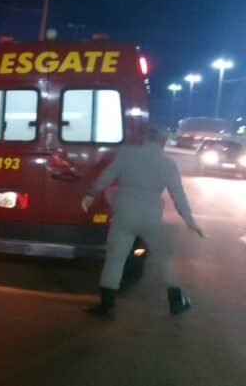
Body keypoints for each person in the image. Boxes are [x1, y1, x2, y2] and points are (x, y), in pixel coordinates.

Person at [81, 126, 205, 318]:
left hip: (124, 213)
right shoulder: (167, 163)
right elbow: (178, 196)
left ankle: (107, 306)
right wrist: (190, 220)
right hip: (151, 217)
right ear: (162, 142)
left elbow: (107, 175)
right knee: (163, 260)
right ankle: (176, 302)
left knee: (115, 260)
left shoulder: (126, 153)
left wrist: (91, 193)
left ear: (145, 138)